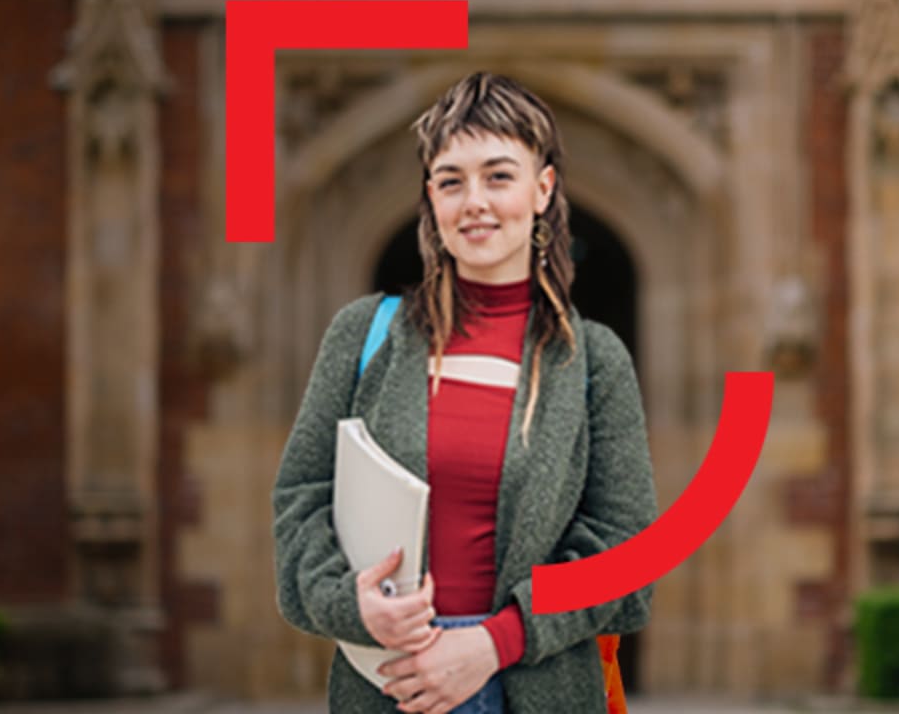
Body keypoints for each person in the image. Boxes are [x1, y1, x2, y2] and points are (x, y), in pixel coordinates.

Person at [269, 72, 660, 714]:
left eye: (498, 176)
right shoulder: (364, 336)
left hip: (534, 686)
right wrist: (352, 604)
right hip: (385, 688)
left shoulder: (594, 360)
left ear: (543, 189)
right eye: (452, 181)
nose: (474, 200)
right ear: (432, 198)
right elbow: (300, 500)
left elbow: (627, 551)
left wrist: (494, 642)